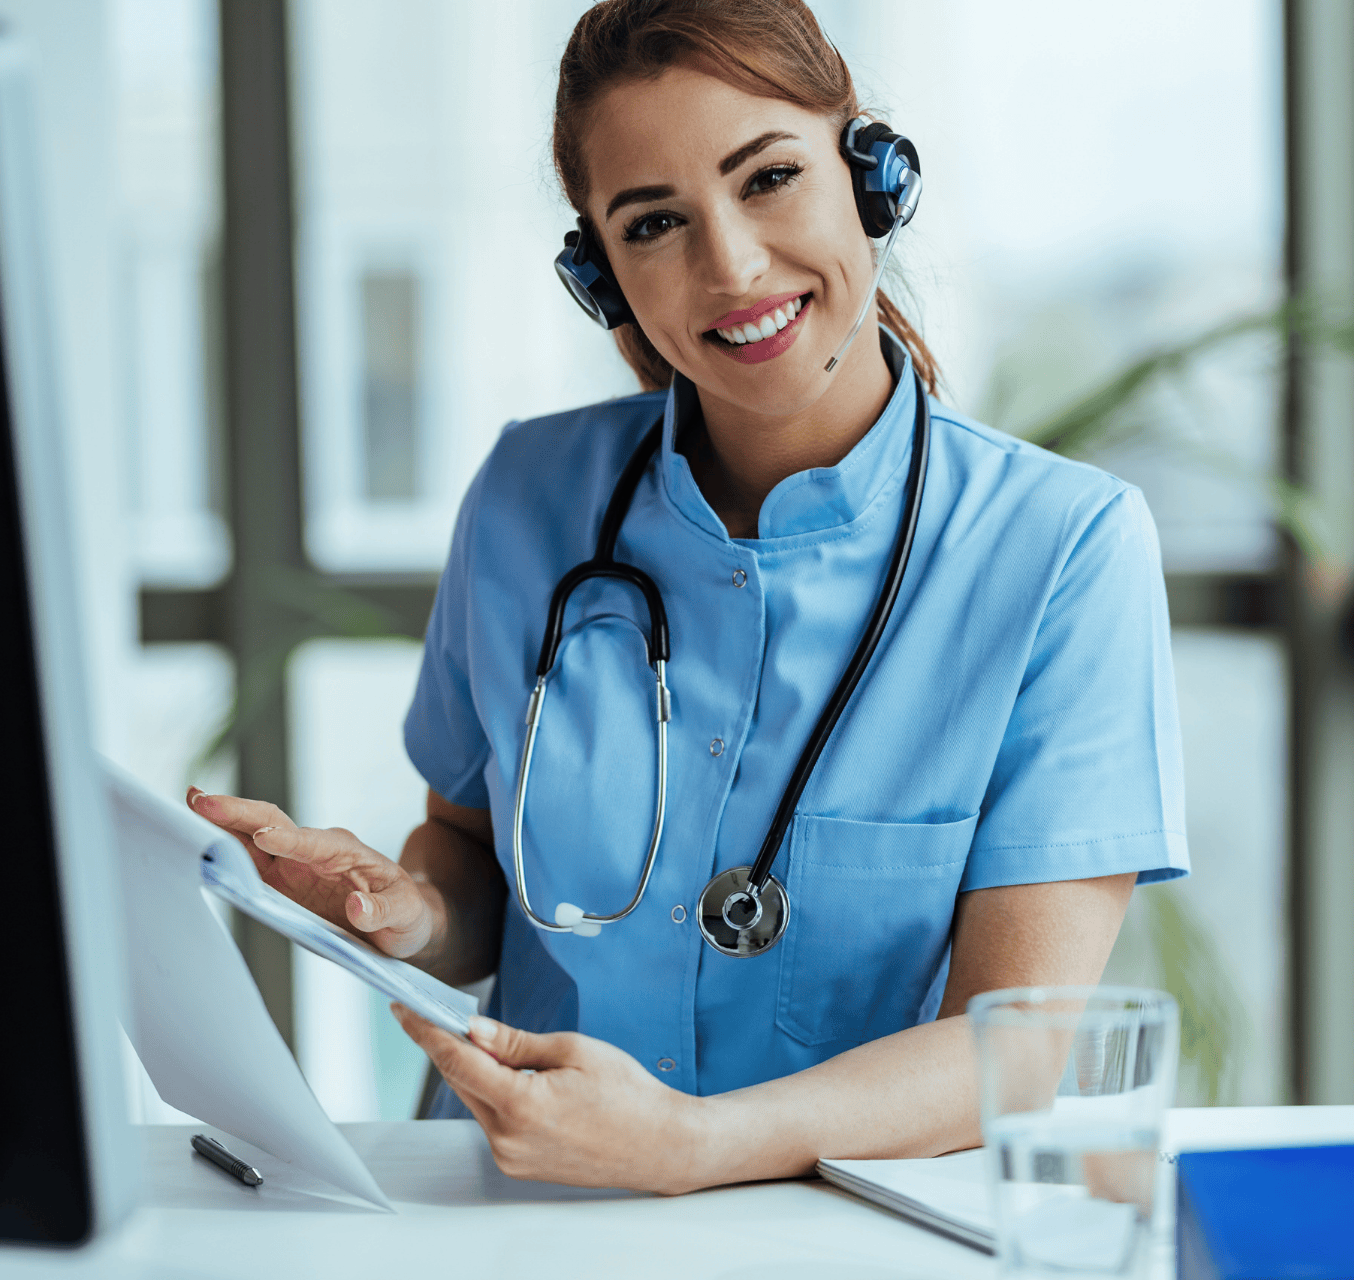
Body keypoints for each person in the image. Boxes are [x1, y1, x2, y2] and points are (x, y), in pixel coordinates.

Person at [188, 0, 1186, 1195]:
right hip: (513, 1211)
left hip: (827, 1235)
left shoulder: (1064, 547)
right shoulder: (526, 496)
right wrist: (406, 910)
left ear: (872, 175)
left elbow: (1012, 1048)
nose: (733, 266)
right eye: (654, 223)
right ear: (600, 277)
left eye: (769, 178)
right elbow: (469, 859)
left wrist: (691, 1145)